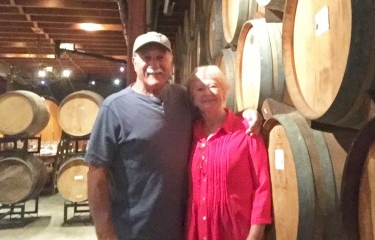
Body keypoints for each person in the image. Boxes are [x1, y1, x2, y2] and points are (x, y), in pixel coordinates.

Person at [85, 31, 261, 240]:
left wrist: (247, 115)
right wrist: (105, 233)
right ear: (133, 62)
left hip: (182, 229)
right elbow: (97, 174)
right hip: (133, 231)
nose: (154, 64)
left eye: (161, 57)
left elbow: (214, 113)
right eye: (146, 57)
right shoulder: (114, 108)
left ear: (171, 62)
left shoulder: (181, 98)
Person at [186, 65, 272, 240]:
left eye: (213, 86)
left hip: (236, 232)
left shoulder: (247, 130)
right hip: (197, 230)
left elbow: (262, 186)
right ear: (193, 98)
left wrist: (255, 235)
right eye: (200, 89)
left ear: (224, 92)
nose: (207, 93)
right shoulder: (192, 133)